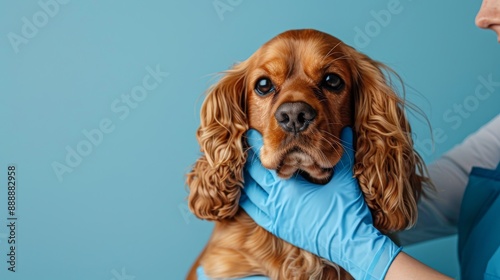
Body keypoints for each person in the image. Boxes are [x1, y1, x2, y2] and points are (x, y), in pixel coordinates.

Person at [197, 1, 500, 279]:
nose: (483, 16)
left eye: (331, 82)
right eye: (265, 86)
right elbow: (455, 182)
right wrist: (344, 217)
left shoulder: (356, 245)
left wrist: (361, 250)